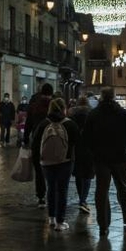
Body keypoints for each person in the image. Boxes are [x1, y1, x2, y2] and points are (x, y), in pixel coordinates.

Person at [82, 87, 126, 236]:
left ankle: (103, 224)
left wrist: (94, 151)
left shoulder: (94, 114)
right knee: (123, 186)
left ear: (101, 97)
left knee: (102, 190)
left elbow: (86, 137)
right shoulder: (123, 114)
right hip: (120, 156)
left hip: (101, 159)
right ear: (113, 97)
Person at [30, 98, 79, 231]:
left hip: (46, 162)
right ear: (64, 109)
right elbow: (78, 143)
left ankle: (51, 218)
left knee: (51, 188)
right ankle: (60, 222)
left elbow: (34, 143)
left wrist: (37, 160)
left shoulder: (44, 124)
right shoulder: (70, 124)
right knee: (62, 190)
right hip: (66, 161)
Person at [23, 83, 54, 208]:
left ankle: (41, 196)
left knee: (39, 171)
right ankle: (52, 194)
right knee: (53, 168)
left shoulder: (34, 106)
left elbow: (28, 124)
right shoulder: (55, 105)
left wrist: (25, 139)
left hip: (37, 140)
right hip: (52, 140)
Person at [68, 95, 94, 214]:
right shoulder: (92, 115)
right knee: (87, 175)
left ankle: (81, 198)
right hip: (89, 147)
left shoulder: (73, 116)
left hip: (76, 147)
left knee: (79, 174)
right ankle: (83, 200)